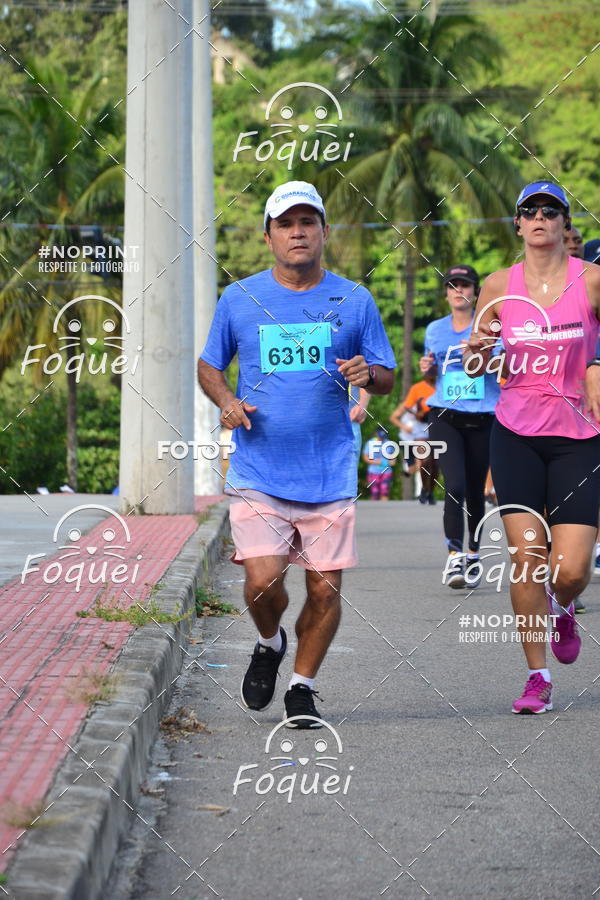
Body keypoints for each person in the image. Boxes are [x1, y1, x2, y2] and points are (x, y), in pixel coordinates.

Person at [198, 181, 396, 728]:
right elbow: (209, 366)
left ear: (325, 232)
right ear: (269, 237)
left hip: (329, 470)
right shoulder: (239, 299)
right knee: (262, 581)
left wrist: (368, 375)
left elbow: (384, 373)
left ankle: (303, 687)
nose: (298, 231)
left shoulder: (354, 300)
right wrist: (226, 400)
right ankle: (269, 641)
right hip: (259, 467)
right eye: (286, 223)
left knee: (324, 586)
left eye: (308, 221)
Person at [463, 180, 600, 714]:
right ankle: (537, 677)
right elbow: (476, 366)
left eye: (552, 210)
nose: (540, 217)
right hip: (516, 433)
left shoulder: (591, 282)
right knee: (527, 559)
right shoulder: (498, 285)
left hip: (579, 437)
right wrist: (478, 349)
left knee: (569, 569)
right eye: (530, 211)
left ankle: (562, 610)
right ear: (517, 224)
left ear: (566, 224)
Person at [421, 264, 500, 589]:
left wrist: (487, 357)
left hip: (484, 417)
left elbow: (504, 369)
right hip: (445, 415)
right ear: (446, 293)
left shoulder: (493, 327)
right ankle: (454, 555)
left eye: (465, 285)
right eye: (452, 285)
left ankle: (473, 553)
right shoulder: (435, 330)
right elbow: (431, 377)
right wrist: (426, 369)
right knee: (453, 486)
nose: (458, 291)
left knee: (475, 493)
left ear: (476, 292)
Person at [389, 376, 437, 503]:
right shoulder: (408, 403)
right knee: (422, 461)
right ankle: (421, 489)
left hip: (436, 428)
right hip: (415, 435)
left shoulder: (438, 389)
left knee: (434, 463)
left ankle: (430, 491)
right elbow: (393, 417)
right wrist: (405, 427)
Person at [362, 426, 395, 500]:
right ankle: (374, 511)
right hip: (373, 472)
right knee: (375, 493)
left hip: (386, 471)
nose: (381, 438)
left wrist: (391, 462)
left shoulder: (389, 443)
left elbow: (393, 459)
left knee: (385, 491)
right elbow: (365, 457)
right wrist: (377, 462)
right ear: (376, 434)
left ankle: (384, 511)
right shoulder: (370, 443)